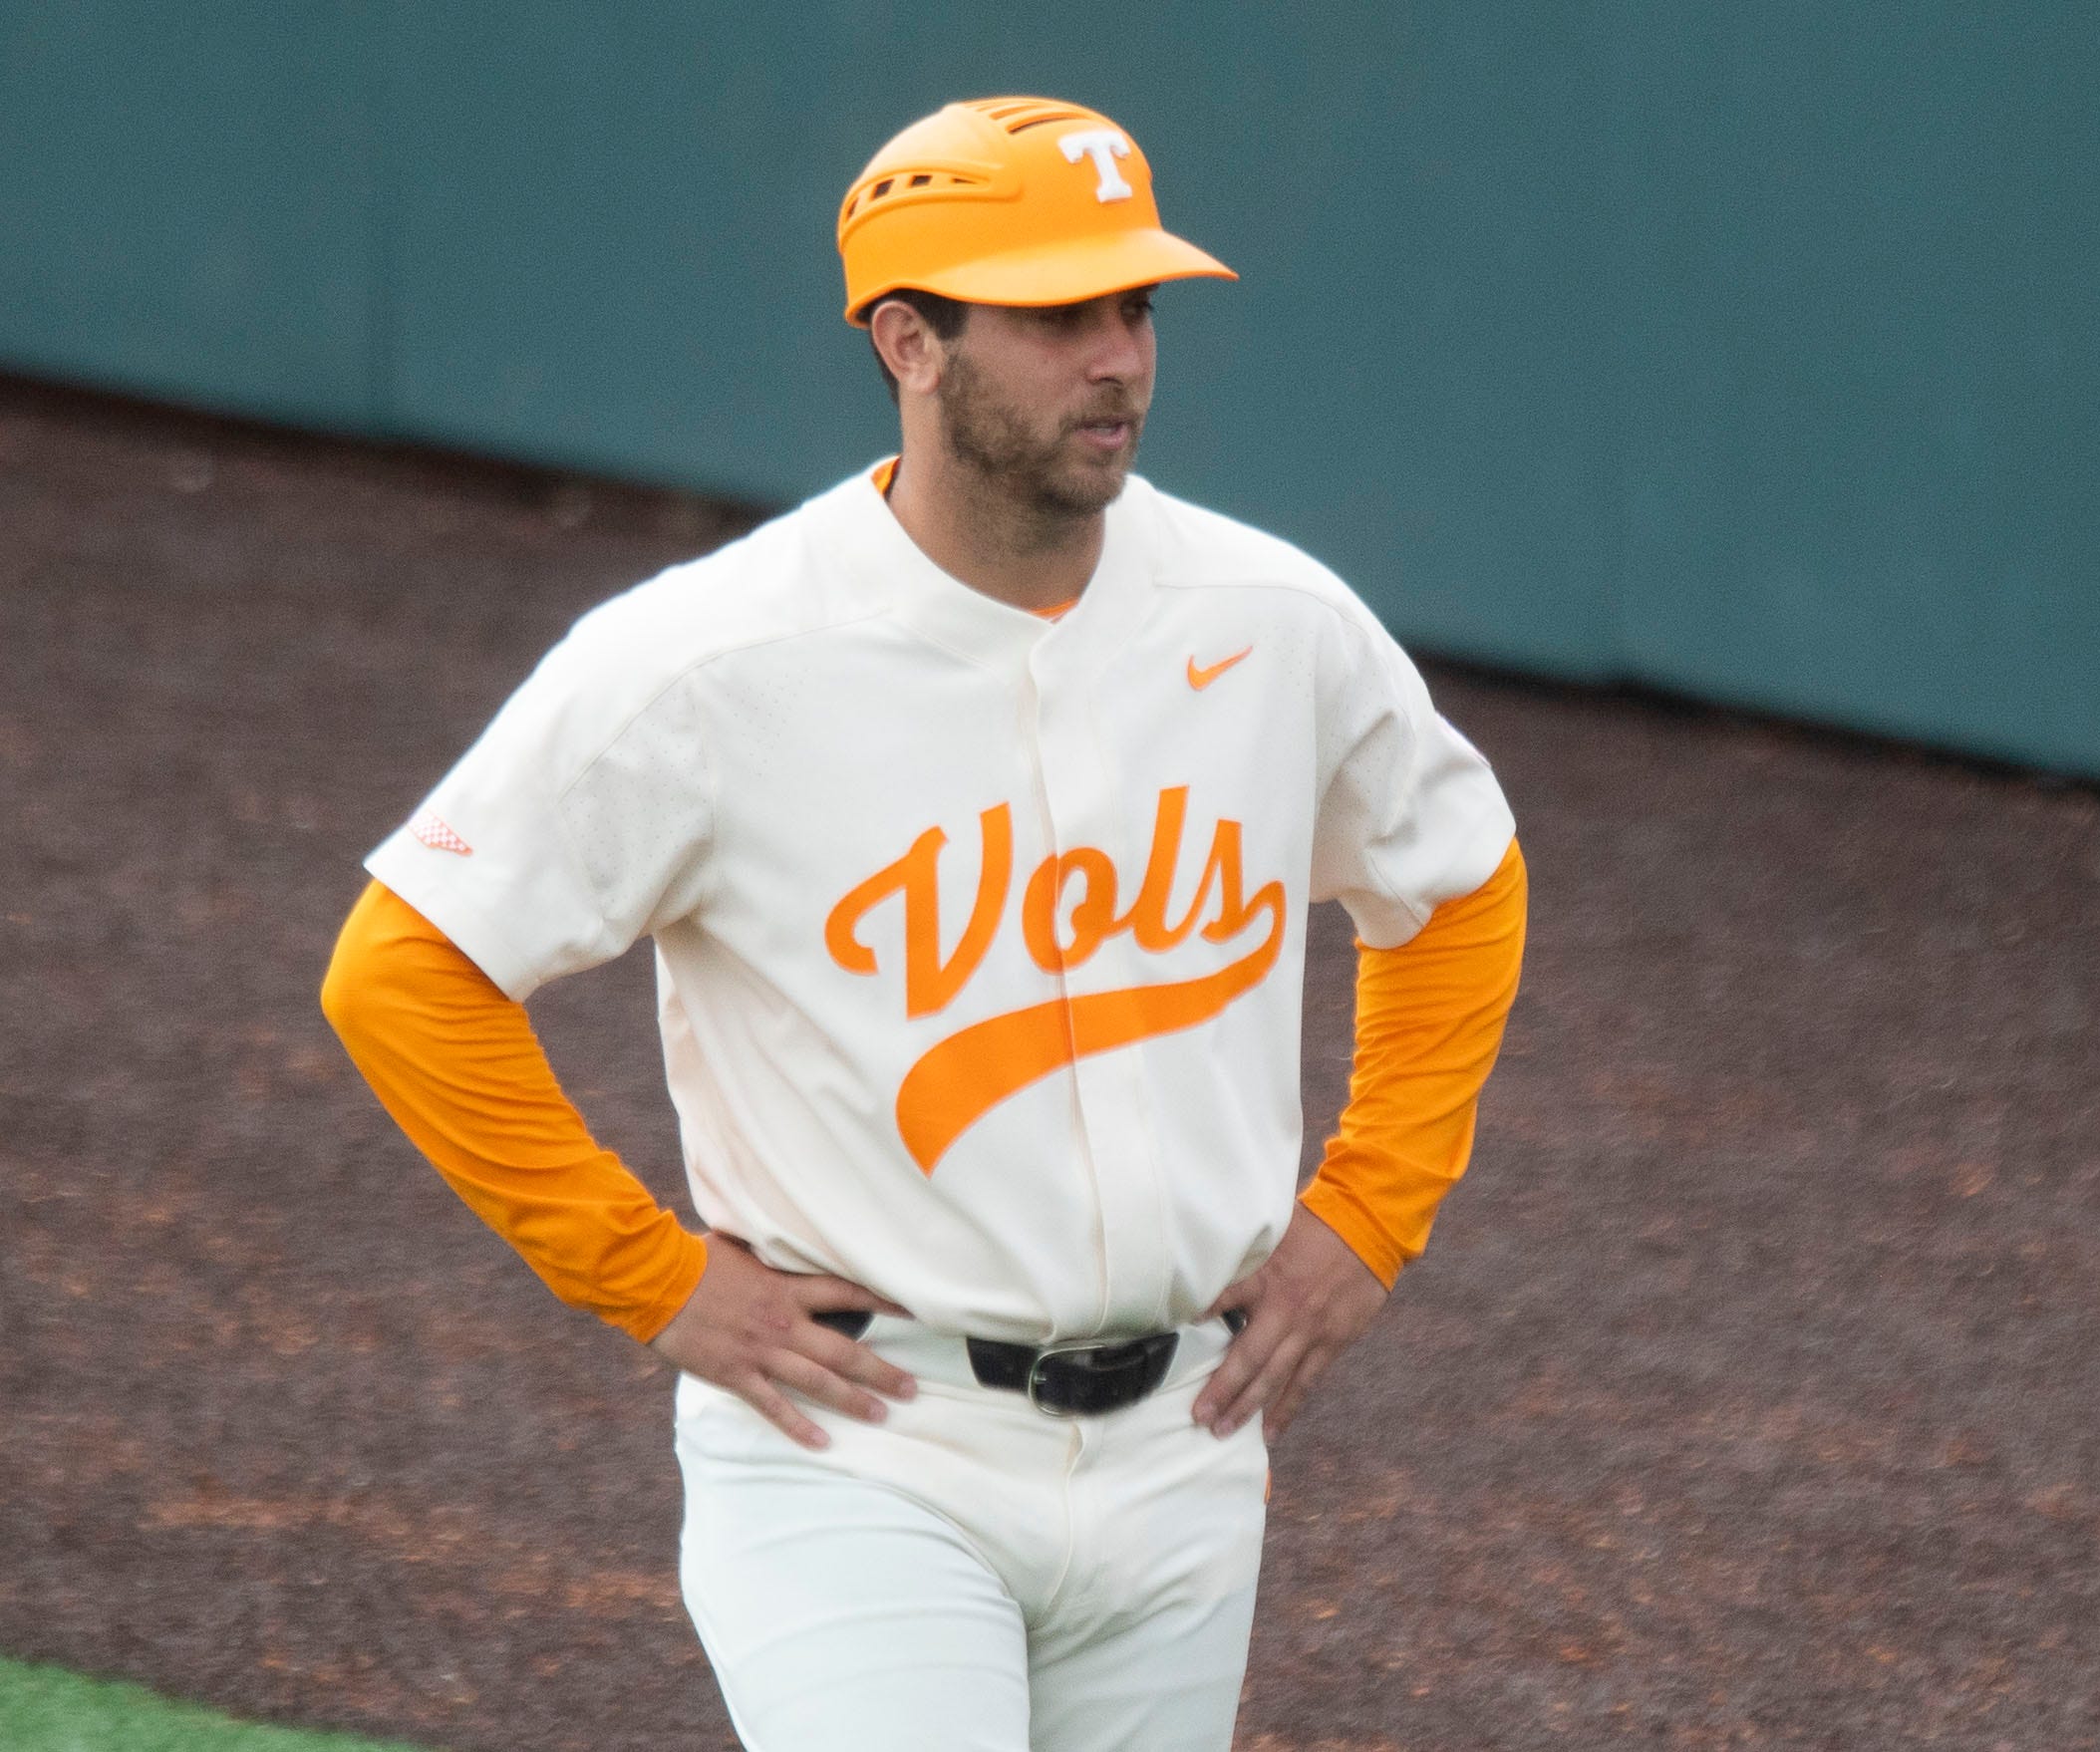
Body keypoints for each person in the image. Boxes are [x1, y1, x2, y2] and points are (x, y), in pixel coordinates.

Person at [321, 95, 1526, 1752]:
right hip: (863, 1445)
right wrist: (652, 1277)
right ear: (909, 341)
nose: (1119, 359)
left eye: (1137, 308)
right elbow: (405, 967)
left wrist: (1376, 1210)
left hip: (1188, 1443)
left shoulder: (1274, 622)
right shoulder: (710, 661)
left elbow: (1457, 875)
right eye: (1056, 317)